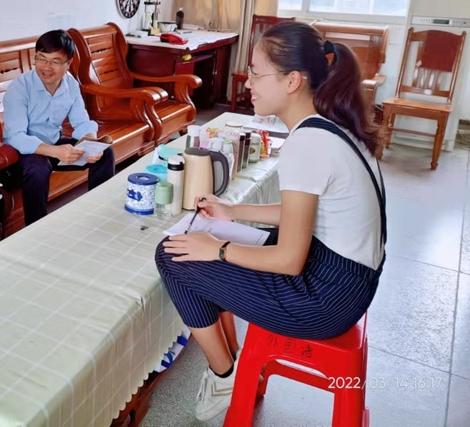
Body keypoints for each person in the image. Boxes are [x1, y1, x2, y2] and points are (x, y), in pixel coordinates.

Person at [155, 21, 386, 421]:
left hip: (325, 300)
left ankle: (224, 374)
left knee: (173, 255)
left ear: (292, 80)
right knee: (215, 238)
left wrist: (219, 249)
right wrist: (232, 212)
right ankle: (232, 356)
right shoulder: (332, 126)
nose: (247, 83)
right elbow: (303, 214)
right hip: (346, 278)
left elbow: (288, 261)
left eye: (257, 73)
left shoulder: (307, 142)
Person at [3, 29, 116, 225]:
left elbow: (81, 122)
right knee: (38, 168)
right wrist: (55, 152)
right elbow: (15, 137)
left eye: (55, 61)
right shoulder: (20, 87)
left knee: (105, 153)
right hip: (23, 153)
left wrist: (91, 144)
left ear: (68, 63)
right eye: (41, 59)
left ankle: (100, 214)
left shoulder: (70, 84)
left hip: (54, 144)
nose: (46, 67)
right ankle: (36, 226)